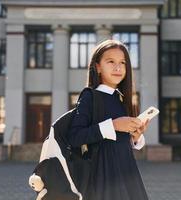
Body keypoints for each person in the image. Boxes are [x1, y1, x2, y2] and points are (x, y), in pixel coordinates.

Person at [68, 39, 150, 200]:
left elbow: (120, 141)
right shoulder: (90, 96)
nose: (118, 68)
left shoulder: (122, 99)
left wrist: (136, 137)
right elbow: (75, 137)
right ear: (97, 67)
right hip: (102, 175)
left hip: (127, 171)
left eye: (123, 62)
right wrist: (112, 125)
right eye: (110, 61)